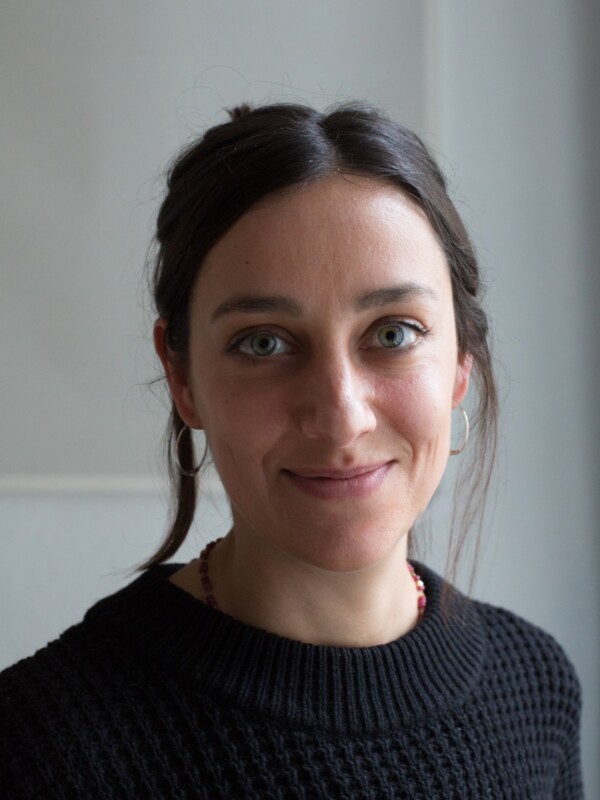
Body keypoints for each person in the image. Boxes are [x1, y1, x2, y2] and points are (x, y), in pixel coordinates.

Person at [0, 102, 583, 799]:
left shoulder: (537, 689)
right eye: (264, 343)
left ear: (461, 363)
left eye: (393, 334)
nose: (340, 418)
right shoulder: (41, 745)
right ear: (182, 378)